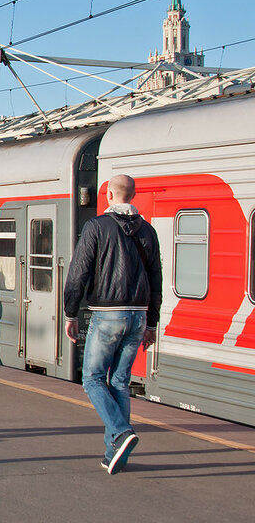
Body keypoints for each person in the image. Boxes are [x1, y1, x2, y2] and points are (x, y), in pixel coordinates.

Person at [64, 174, 162, 476]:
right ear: (132, 196)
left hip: (108, 313)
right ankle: (113, 454)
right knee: (119, 381)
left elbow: (79, 271)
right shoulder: (148, 230)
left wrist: (71, 314)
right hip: (138, 315)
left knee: (92, 379)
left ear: (108, 195)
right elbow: (156, 278)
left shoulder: (96, 227)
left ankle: (120, 432)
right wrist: (152, 323)